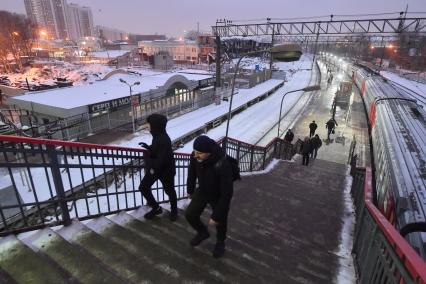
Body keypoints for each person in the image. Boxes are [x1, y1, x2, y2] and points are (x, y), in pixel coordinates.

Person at [185, 135, 234, 258]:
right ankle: (203, 232)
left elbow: (227, 193)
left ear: (209, 153)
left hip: (218, 195)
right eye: (195, 152)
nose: (195, 155)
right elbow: (191, 173)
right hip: (203, 190)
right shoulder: (195, 156)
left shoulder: (223, 164)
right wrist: (190, 190)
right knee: (190, 214)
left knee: (220, 221)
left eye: (199, 153)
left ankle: (220, 242)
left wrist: (216, 216)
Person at [138, 113, 178, 221]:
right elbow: (157, 151)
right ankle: (156, 208)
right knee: (143, 187)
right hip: (156, 169)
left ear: (155, 125)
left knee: (169, 191)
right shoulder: (157, 136)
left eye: (148, 123)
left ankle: (174, 210)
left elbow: (159, 161)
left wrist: (146, 157)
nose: (147, 125)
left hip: (166, 171)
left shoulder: (163, 139)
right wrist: (149, 148)